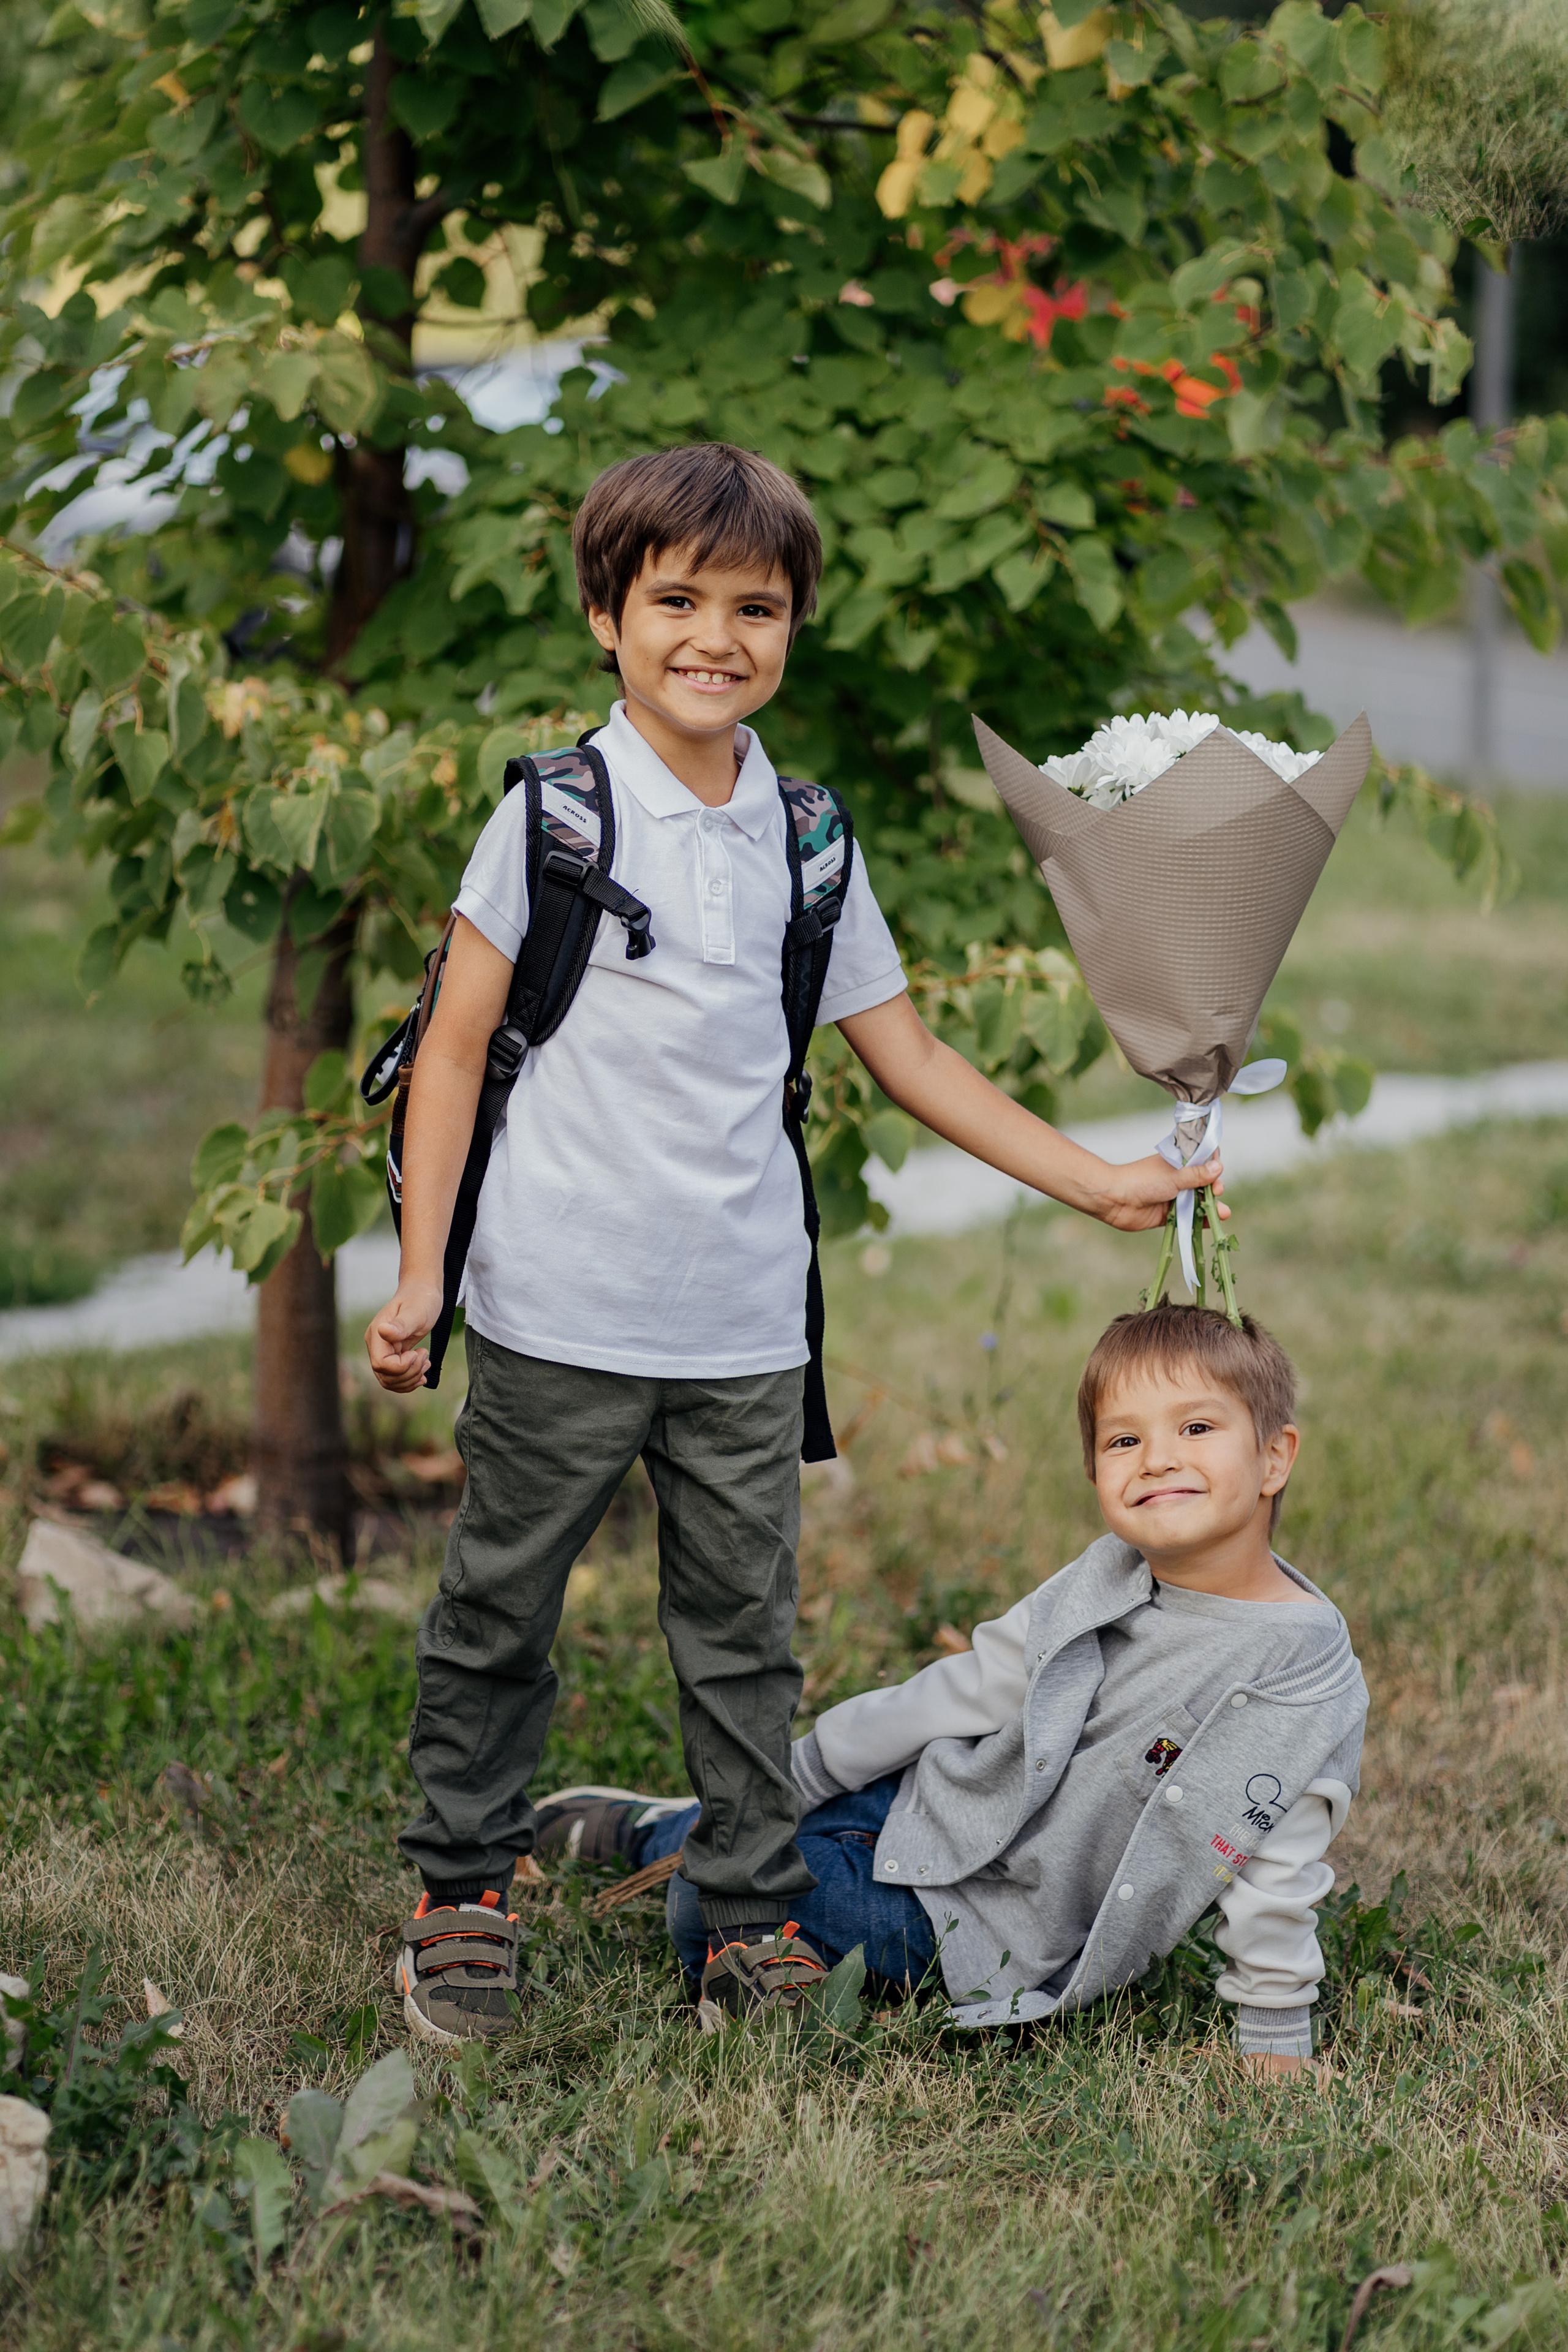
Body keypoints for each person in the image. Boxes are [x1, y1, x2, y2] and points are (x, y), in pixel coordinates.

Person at [366, 442, 1227, 2044]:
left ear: (793, 627)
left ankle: (752, 1918)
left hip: (746, 1330)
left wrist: (1097, 1183)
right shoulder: (557, 816)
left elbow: (910, 1058)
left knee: (744, 1646)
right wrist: (424, 1273)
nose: (715, 636)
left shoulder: (810, 840)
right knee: (500, 1613)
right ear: (606, 619)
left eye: (754, 606)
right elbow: (459, 1049)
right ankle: (461, 1894)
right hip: (556, 1311)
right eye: (675, 599)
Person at [546, 1303, 1366, 2072]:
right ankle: (685, 1827)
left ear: (1273, 1456)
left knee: (711, 1897)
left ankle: (689, 1857)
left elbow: (1278, 1868)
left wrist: (1273, 2036)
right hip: (929, 1800)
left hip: (978, 1921)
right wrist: (798, 1775)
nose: (1156, 1458)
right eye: (1123, 1441)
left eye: (1195, 1427)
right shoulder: (1106, 1577)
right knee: (764, 1829)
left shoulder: (1297, 1685)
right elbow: (965, 1690)